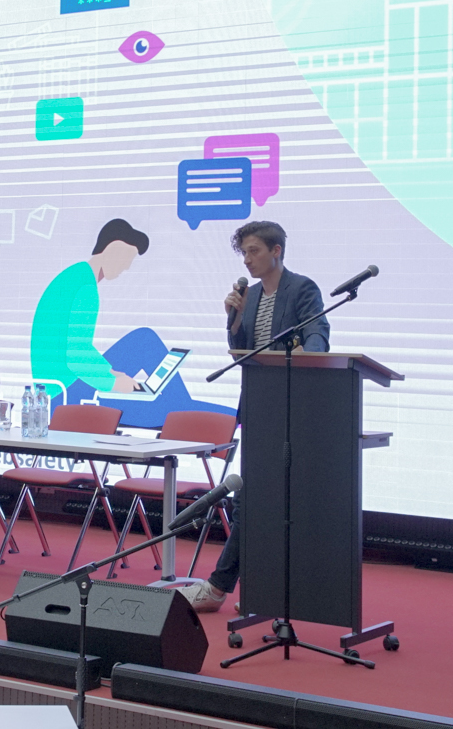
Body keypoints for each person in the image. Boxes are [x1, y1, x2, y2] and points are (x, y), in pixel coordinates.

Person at [178, 220, 329, 613]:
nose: (247, 260)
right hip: (259, 405)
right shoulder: (252, 295)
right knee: (249, 501)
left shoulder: (302, 289)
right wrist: (234, 319)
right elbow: (241, 351)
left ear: (276, 250)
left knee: (257, 501)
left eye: (254, 251)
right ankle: (249, 588)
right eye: (243, 253)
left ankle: (220, 587)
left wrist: (309, 356)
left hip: (294, 407)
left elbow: (318, 332)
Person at [30, 218, 151, 400]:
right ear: (111, 248)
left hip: (52, 389)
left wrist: (110, 372)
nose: (127, 266)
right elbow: (75, 355)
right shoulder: (85, 288)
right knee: (145, 339)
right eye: (127, 258)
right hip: (63, 391)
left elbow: (77, 347)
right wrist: (114, 383)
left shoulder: (75, 274)